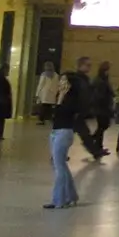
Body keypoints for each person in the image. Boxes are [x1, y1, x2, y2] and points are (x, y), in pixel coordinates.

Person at [47, 60, 83, 209]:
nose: (60, 82)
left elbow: (65, 113)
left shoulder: (71, 99)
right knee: (61, 165)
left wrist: (61, 98)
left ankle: (58, 200)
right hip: (56, 132)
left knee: (59, 167)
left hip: (64, 133)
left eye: (63, 80)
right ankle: (71, 196)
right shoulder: (61, 96)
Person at [88, 60, 115, 153]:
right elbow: (101, 95)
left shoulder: (101, 80)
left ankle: (98, 145)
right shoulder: (100, 81)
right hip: (102, 108)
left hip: (101, 107)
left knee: (102, 126)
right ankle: (94, 142)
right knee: (103, 126)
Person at [34, 61, 59, 126]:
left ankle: (41, 120)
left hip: (44, 93)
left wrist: (37, 94)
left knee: (43, 107)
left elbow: (41, 84)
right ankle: (51, 119)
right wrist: (56, 93)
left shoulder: (44, 74)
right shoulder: (56, 75)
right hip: (52, 93)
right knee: (50, 108)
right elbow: (57, 85)